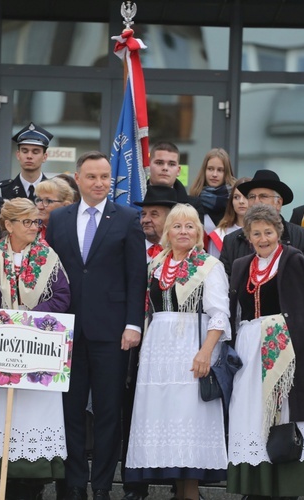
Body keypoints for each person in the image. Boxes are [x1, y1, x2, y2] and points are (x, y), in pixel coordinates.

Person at [46, 151, 146, 500]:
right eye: (92, 177)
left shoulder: (128, 218)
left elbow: (137, 277)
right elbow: (50, 274)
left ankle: (102, 485)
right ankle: (74, 484)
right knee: (70, 411)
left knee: (107, 412)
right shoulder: (58, 219)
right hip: (67, 331)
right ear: (77, 178)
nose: (100, 183)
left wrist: (134, 324)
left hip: (113, 331)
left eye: (105, 177)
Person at [227, 204, 304, 499]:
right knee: (252, 413)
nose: (263, 238)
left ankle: (287, 487)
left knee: (286, 414)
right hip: (250, 349)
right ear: (248, 236)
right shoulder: (242, 265)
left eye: (268, 232)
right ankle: (256, 488)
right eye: (256, 233)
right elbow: (234, 309)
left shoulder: (294, 259)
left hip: (287, 350)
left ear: (278, 231)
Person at [126, 204, 231, 499]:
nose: (183, 231)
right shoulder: (155, 265)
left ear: (198, 232)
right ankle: (180, 491)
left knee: (190, 419)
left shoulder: (210, 266)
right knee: (162, 419)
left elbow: (219, 315)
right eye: (177, 226)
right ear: (167, 232)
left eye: (189, 226)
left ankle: (191, 494)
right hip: (158, 351)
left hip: (191, 349)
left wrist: (205, 352)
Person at [0, 198, 71, 500]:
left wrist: (29, 319)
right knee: (4, 423)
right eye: (27, 222)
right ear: (8, 225)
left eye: (36, 222)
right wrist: (5, 322)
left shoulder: (48, 256)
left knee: (36, 422)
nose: (34, 227)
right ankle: (10, 487)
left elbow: (62, 297)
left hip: (37, 352)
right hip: (1, 351)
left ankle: (34, 488)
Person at [119, 185, 178, 500]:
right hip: (135, 341)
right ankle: (134, 484)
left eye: (154, 214)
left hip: (173, 346)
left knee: (173, 412)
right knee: (134, 412)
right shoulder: (131, 246)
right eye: (142, 214)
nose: (146, 220)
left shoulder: (182, 253)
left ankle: (177, 480)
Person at [219, 169, 304, 277]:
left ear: (278, 202)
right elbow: (224, 285)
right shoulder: (232, 242)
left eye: (263, 196)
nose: (256, 201)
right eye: (252, 197)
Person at [0, 123, 53, 202]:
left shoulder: (54, 191)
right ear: (18, 155)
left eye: (35, 152)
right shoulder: (1, 191)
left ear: (44, 157)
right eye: (25, 151)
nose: (29, 156)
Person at [147, 142, 204, 220]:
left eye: (171, 164)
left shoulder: (194, 206)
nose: (165, 168)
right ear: (148, 166)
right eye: (159, 163)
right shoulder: (133, 198)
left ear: (178, 170)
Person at [188, 148, 235, 232]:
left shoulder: (235, 201)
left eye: (220, 170)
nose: (214, 174)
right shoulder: (193, 200)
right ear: (204, 170)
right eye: (210, 169)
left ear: (226, 173)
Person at [208, 177, 249, 259]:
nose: (241, 201)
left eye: (246, 196)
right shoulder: (219, 234)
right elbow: (213, 267)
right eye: (236, 197)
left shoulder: (263, 231)